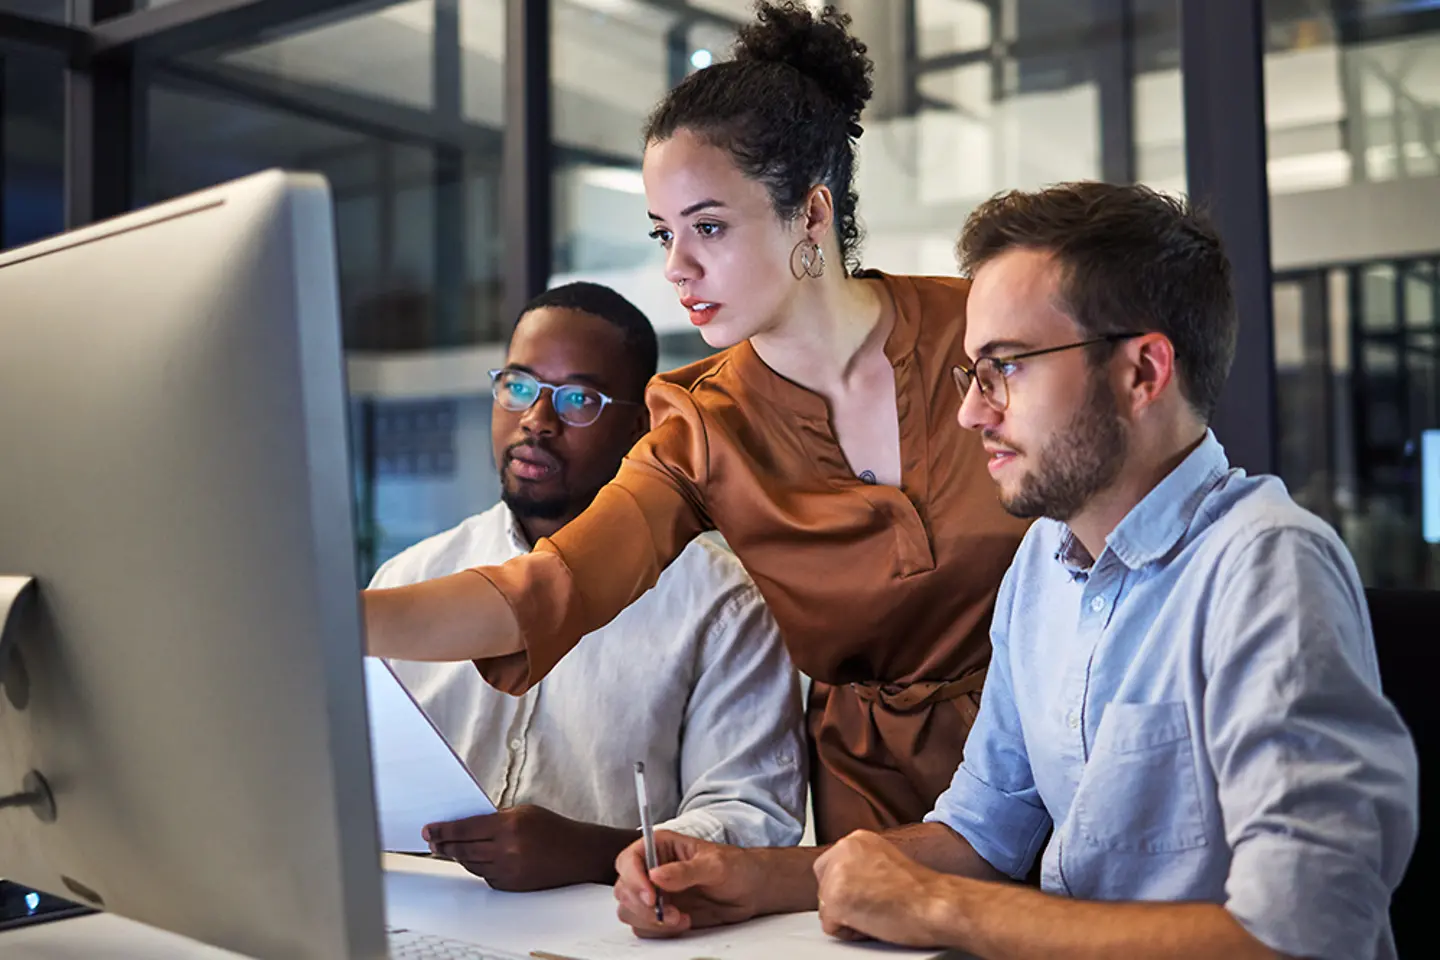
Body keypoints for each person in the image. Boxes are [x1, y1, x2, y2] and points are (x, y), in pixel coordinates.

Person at [614, 182, 1420, 960]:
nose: (971, 410)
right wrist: (751, 878)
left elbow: (1307, 937)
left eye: (1008, 365)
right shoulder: (1044, 561)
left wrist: (937, 909)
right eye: (972, 370)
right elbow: (980, 832)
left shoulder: (1266, 567)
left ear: (1143, 372)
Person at [362, 1, 1029, 843]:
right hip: (876, 811)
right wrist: (331, 618)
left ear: (812, 216)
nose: (676, 268)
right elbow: (547, 588)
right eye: (663, 233)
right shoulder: (700, 423)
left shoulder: (985, 334)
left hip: (1060, 756)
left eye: (707, 227)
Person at [372, 282, 806, 892]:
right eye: (518, 386)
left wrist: (593, 853)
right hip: (416, 914)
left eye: (579, 399)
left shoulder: (723, 604)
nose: (537, 420)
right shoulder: (412, 578)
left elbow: (754, 819)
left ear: (640, 426)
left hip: (612, 932)